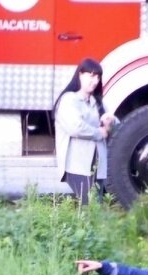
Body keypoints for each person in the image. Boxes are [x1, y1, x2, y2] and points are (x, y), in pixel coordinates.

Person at [54, 58, 117, 205]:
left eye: (98, 77)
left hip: (98, 166)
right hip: (76, 166)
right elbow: (75, 127)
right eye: (91, 75)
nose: (95, 81)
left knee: (95, 207)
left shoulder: (98, 102)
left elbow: (114, 125)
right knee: (90, 206)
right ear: (80, 75)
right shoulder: (68, 100)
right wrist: (99, 132)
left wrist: (111, 122)